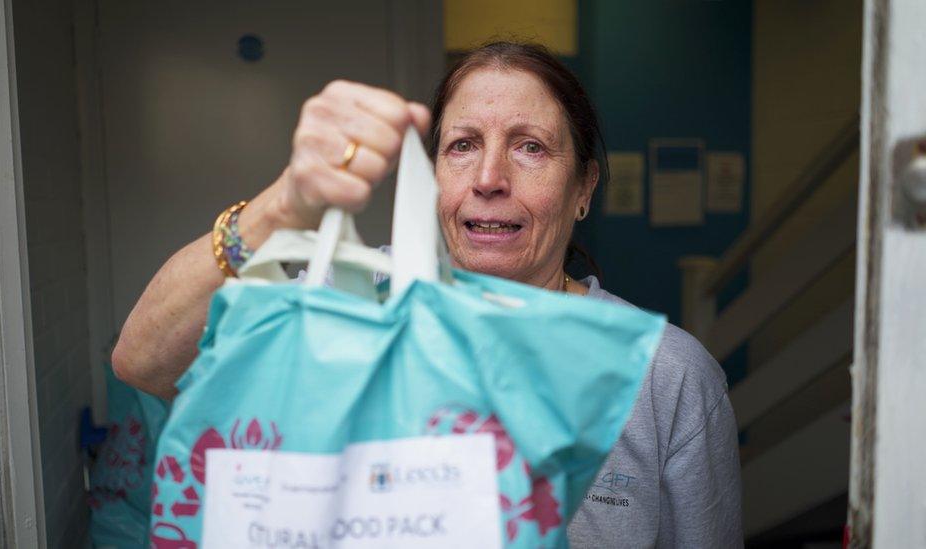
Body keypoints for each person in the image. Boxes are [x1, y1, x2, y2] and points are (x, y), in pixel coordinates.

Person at [113, 41, 742, 547]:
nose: (489, 178)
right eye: (462, 146)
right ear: (433, 175)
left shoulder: (662, 373)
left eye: (530, 147)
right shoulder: (350, 304)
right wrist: (284, 205)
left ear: (584, 188)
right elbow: (145, 359)